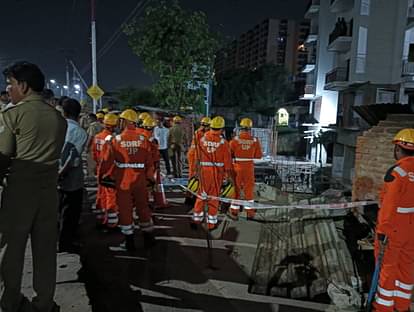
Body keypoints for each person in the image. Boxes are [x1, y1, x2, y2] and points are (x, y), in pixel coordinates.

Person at [0, 61, 67, 312]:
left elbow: (4, 153)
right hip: (49, 192)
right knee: (45, 250)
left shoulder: (12, 115)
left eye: (11, 84)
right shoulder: (58, 119)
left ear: (24, 86)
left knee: (11, 250)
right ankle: (44, 303)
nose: (8, 90)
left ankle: (10, 301)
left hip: (19, 191)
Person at [101, 109, 155, 251]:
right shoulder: (144, 140)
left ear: (124, 121)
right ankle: (148, 237)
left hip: (123, 180)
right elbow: (150, 163)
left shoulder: (116, 140)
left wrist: (103, 177)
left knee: (125, 209)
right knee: (143, 207)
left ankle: (129, 241)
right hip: (141, 179)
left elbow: (106, 161)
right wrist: (150, 179)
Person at [372, 128, 414, 312]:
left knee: (387, 269)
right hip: (412, 230)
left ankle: (384, 308)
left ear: (398, 148)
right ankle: (402, 306)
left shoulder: (396, 173)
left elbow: (388, 207)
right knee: (406, 269)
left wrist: (382, 233)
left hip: (394, 229)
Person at [191, 116, 233, 230]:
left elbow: (197, 158)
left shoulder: (202, 140)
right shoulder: (224, 143)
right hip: (216, 173)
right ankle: (211, 223)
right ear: (221, 129)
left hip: (203, 172)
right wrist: (228, 176)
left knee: (201, 196)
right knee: (213, 198)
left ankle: (196, 220)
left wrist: (196, 172)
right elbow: (227, 162)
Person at [58, 98, 88, 253]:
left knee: (57, 211)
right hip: (71, 180)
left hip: (53, 177)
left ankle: (57, 240)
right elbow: (73, 158)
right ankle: (65, 243)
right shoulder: (80, 132)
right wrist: (61, 173)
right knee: (70, 213)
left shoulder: (57, 128)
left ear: (63, 112)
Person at [229, 118, 262, 220]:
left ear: (241, 128)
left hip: (237, 166)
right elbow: (258, 156)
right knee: (249, 190)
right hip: (249, 167)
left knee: (237, 189)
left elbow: (229, 154)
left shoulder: (235, 140)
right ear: (250, 129)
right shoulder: (255, 140)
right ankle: (250, 213)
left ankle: (234, 211)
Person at [85, 113, 104, 179]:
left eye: (88, 118)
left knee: (91, 164)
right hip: (100, 146)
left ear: (92, 118)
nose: (87, 120)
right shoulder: (102, 125)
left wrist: (87, 146)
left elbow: (91, 137)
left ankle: (91, 178)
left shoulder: (92, 126)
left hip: (92, 147)